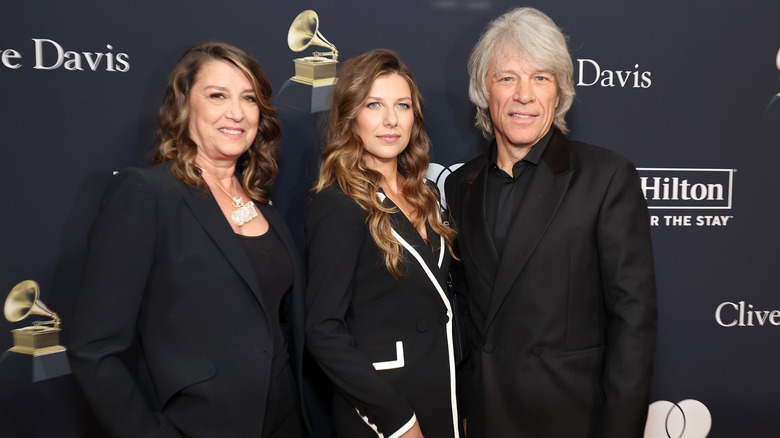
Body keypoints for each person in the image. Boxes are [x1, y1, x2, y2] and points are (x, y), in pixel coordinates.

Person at [68, 41, 308, 438]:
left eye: (248, 98)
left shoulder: (260, 202)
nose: (236, 112)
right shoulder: (147, 193)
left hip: (286, 422)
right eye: (217, 95)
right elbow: (93, 349)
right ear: (184, 105)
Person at [444, 7, 657, 438]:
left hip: (572, 419)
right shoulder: (460, 186)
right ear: (484, 91)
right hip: (486, 418)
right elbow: (465, 313)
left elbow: (632, 321)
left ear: (559, 92)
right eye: (507, 78)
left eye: (540, 78)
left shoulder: (606, 177)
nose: (524, 95)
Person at [305, 49, 460, 438]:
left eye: (402, 105)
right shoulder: (337, 205)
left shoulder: (428, 196)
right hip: (386, 415)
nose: (391, 120)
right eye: (374, 104)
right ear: (350, 117)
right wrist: (398, 422)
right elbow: (323, 331)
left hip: (445, 396)